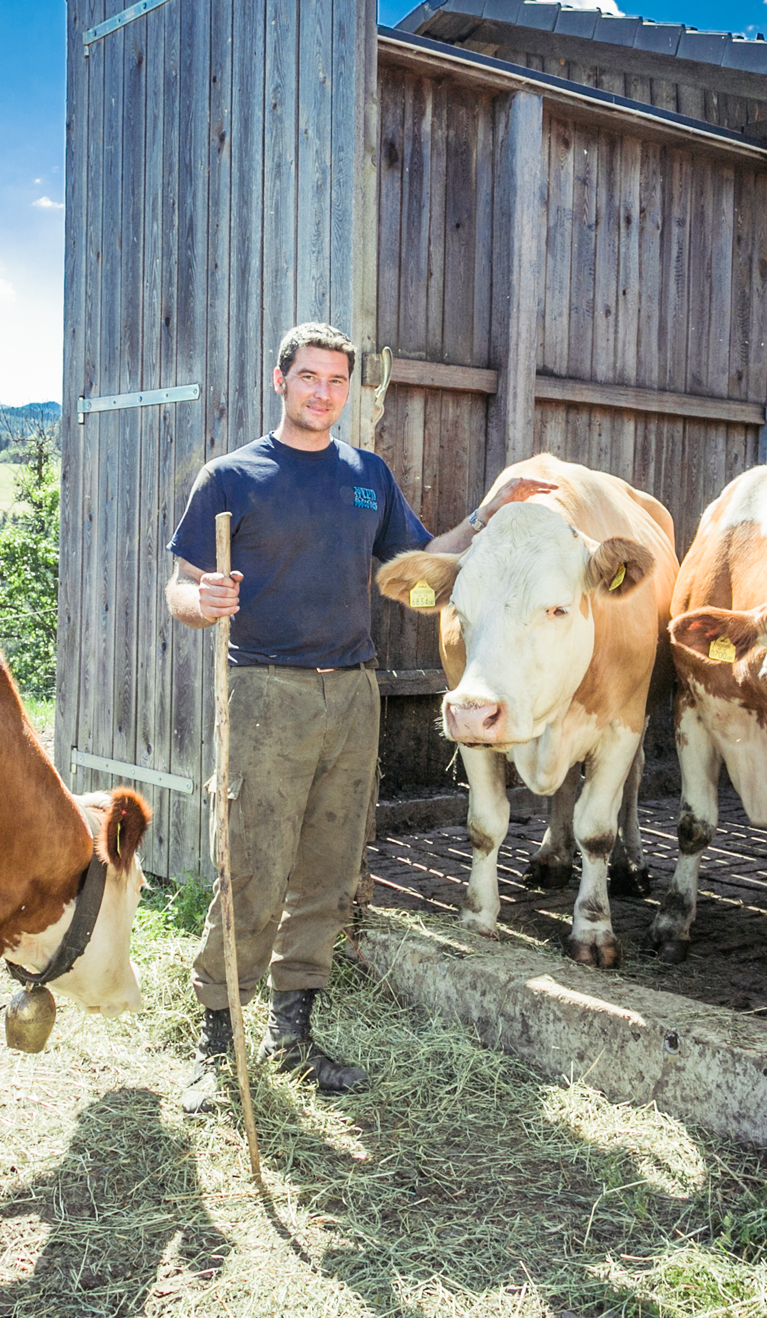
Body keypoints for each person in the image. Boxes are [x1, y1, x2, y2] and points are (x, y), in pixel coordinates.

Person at [164, 321, 557, 1113]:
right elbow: (179, 588)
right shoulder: (231, 477)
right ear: (280, 382)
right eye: (309, 377)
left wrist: (484, 516)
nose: (323, 393)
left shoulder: (366, 475)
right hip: (263, 692)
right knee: (252, 867)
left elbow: (423, 558)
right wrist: (199, 601)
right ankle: (216, 1042)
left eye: (336, 381)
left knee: (327, 869)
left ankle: (294, 1034)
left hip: (351, 694)